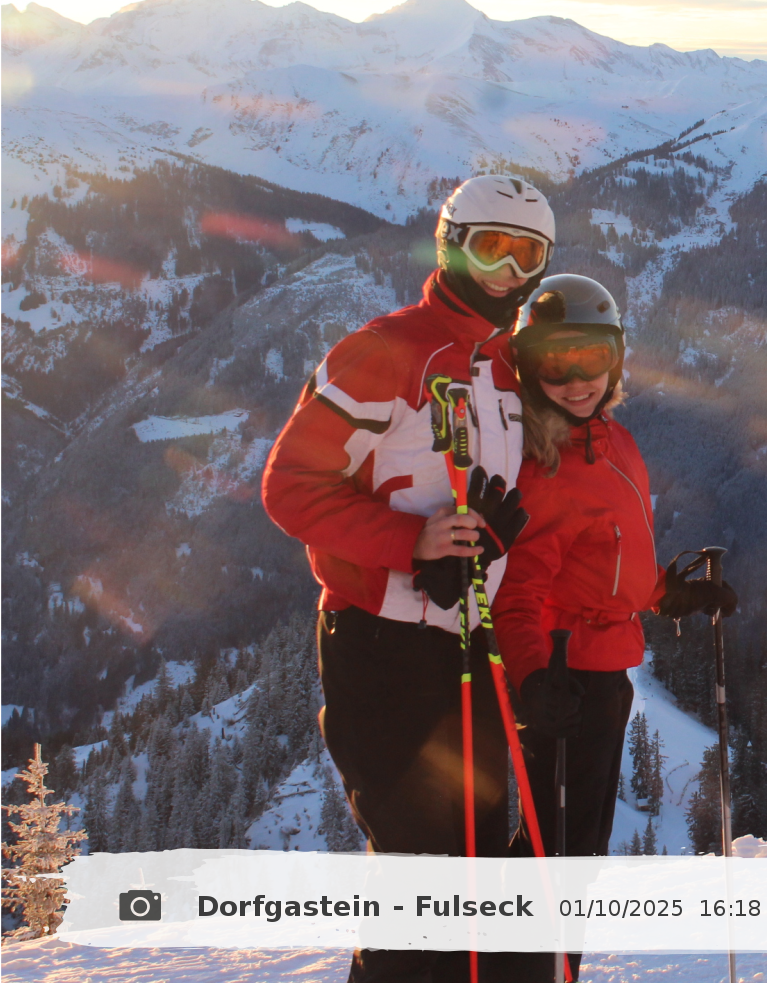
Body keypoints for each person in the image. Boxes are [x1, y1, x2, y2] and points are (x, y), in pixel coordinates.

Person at [262, 174, 554, 983]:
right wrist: (410, 543)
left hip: (469, 641)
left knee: (474, 863)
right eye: (491, 248)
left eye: (527, 256)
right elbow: (289, 487)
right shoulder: (385, 352)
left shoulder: (506, 371)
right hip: (383, 647)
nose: (508, 273)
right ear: (449, 246)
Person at [488, 274, 734, 982]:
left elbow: (610, 558)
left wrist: (670, 594)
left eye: (590, 359)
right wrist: (534, 680)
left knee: (577, 852)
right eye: (554, 364)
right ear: (528, 368)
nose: (575, 381)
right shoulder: (544, 466)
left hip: (603, 674)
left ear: (616, 359)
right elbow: (519, 595)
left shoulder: (615, 442)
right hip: (565, 679)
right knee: (556, 856)